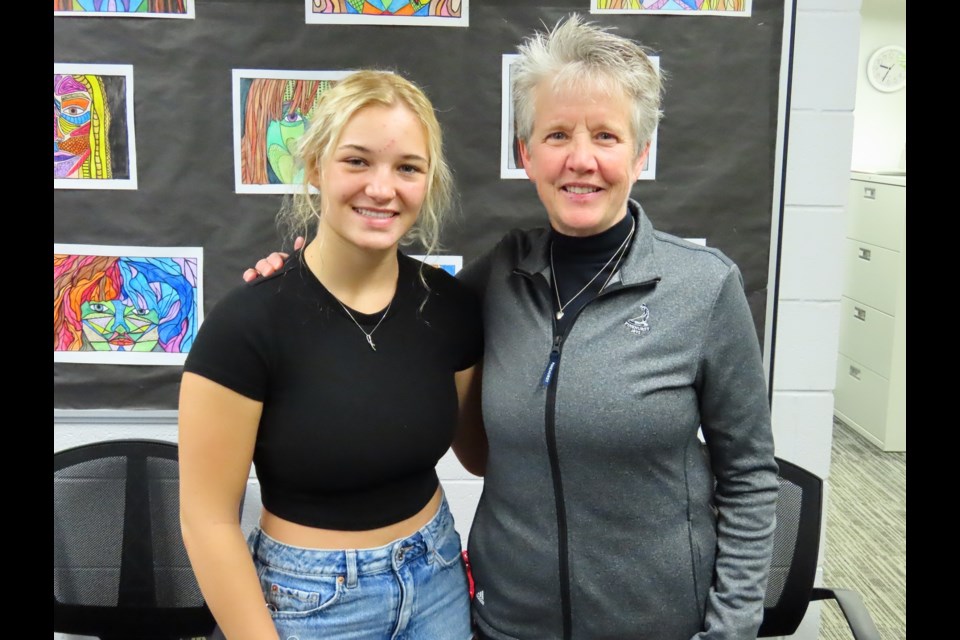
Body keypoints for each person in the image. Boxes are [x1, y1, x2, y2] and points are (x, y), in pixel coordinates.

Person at [245, 14, 778, 640]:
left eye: (606, 136)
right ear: (526, 154)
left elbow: (749, 478)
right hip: (503, 624)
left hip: (660, 624)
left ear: (640, 152)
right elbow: (378, 297)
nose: (581, 159)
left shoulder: (702, 287)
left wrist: (731, 628)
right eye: (557, 134)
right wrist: (295, 281)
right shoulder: (496, 279)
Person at [179, 69, 484, 640]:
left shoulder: (450, 307)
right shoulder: (247, 325)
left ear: (428, 182)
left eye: (407, 168)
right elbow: (206, 520)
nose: (382, 188)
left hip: (438, 577)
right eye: (357, 161)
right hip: (309, 604)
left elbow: (483, 455)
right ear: (315, 165)